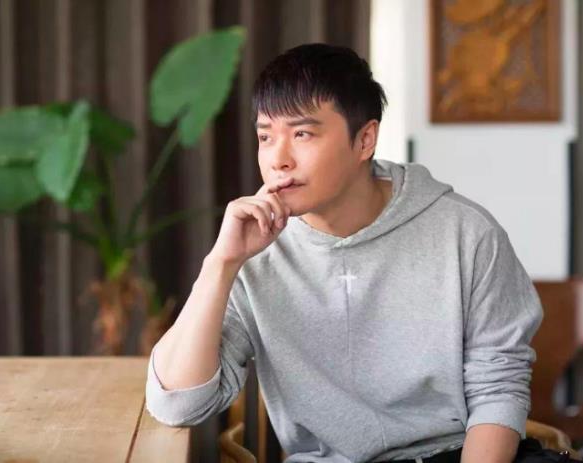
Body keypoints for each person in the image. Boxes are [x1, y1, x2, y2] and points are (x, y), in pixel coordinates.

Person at [145, 43, 544, 463]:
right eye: (265, 137)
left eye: (302, 134)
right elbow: (178, 405)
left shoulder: (467, 233)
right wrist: (221, 264)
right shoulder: (253, 250)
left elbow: (498, 391)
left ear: (365, 140)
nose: (278, 159)